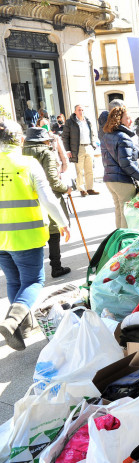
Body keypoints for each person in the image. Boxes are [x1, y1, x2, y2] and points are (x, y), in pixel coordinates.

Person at [0, 120, 70, 351]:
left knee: (14, 280)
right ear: (19, 139)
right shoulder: (27, 163)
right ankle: (12, 321)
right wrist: (63, 223)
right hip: (26, 235)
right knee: (33, 281)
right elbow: (48, 199)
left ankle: (23, 327)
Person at [22, 127, 72, 278]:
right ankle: (56, 267)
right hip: (48, 195)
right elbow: (53, 181)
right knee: (54, 232)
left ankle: (31, 271)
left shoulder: (21, 153)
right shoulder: (46, 153)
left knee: (34, 234)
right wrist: (66, 189)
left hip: (28, 196)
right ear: (43, 140)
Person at [101, 107, 139, 228]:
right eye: (127, 118)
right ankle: (126, 243)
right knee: (127, 214)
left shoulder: (106, 136)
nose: (131, 120)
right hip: (122, 181)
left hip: (110, 180)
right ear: (119, 120)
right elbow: (126, 163)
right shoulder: (123, 137)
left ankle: (119, 242)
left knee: (119, 212)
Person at [61, 105, 99, 197]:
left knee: (89, 169)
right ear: (75, 112)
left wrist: (93, 145)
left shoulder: (88, 121)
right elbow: (65, 137)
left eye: (82, 110)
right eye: (79, 110)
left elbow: (92, 134)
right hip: (78, 148)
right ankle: (81, 189)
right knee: (79, 170)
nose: (81, 111)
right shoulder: (70, 122)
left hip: (88, 147)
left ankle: (90, 188)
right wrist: (68, 150)